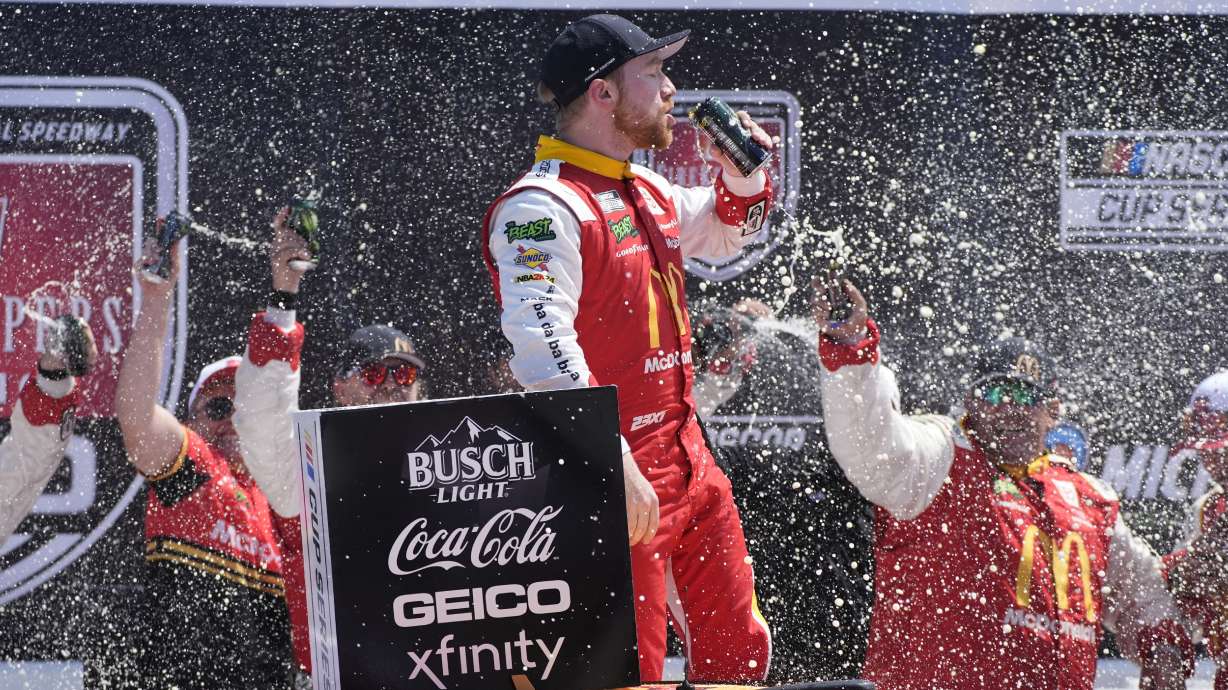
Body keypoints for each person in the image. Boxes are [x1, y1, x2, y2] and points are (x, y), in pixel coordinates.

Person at [481, 14, 775, 682]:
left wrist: (746, 180)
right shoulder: (539, 205)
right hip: (609, 477)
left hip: (688, 459)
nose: (672, 89)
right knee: (628, 672)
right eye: (655, 74)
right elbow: (539, 342)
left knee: (739, 654)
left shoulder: (647, 187)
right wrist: (611, 455)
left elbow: (729, 233)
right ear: (603, 94)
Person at [813, 278, 1194, 690]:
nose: (1010, 410)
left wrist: (1162, 657)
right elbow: (872, 448)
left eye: (1025, 397)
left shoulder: (1090, 501)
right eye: (995, 393)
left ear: (1053, 411)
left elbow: (1144, 598)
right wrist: (852, 352)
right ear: (972, 403)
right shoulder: (940, 459)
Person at [231, 205, 429, 678]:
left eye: (404, 373)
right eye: (373, 371)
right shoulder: (308, 470)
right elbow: (260, 416)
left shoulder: (453, 462)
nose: (390, 383)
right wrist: (284, 296)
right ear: (340, 388)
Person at [115, 230, 295, 688]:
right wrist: (156, 299)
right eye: (218, 407)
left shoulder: (289, 495)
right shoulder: (195, 464)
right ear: (192, 420)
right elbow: (135, 416)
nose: (233, 420)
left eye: (244, 408)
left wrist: (286, 289)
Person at [690, 302, 873, 682]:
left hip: (820, 598)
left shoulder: (803, 350)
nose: (721, 350)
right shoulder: (684, 381)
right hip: (724, 593)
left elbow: (873, 439)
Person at [0, 315, 97, 544]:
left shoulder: (64, 382)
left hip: (19, 493)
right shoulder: (48, 389)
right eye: (90, 344)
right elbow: (49, 367)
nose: (96, 352)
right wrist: (60, 346)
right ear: (68, 350)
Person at [1164, 371, 1228, 690]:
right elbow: (1187, 615)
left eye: (1222, 449)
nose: (1214, 461)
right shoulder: (1207, 509)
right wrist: (1182, 576)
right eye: (1207, 451)